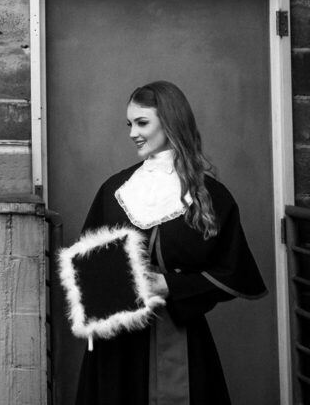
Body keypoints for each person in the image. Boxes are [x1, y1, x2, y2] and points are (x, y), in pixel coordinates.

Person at [74, 80, 267, 405]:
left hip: (181, 338)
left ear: (169, 122)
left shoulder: (209, 196)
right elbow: (87, 265)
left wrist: (170, 285)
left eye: (142, 122)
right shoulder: (114, 190)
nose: (133, 133)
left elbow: (232, 272)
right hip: (117, 346)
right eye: (129, 124)